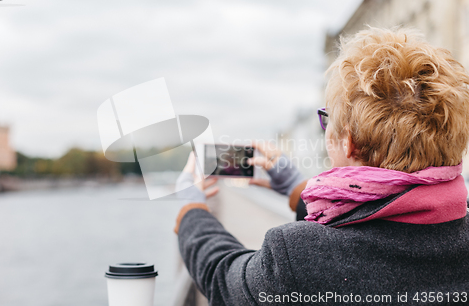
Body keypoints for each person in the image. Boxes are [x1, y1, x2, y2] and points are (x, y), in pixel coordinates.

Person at [174, 27, 469, 305]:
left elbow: (224, 280)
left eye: (327, 120)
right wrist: (297, 191)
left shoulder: (296, 255)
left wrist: (192, 211)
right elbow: (383, 224)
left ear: (348, 143)